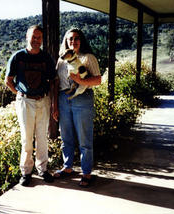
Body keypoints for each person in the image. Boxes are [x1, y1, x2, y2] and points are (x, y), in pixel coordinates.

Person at [5, 25, 56, 186]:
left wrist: (53, 102)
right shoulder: (18, 57)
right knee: (27, 139)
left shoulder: (46, 58)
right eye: (33, 37)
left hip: (43, 100)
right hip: (25, 101)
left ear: (42, 40)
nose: (36, 40)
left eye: (39, 37)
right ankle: (26, 172)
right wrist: (19, 93)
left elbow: (53, 80)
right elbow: (8, 80)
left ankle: (43, 169)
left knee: (42, 137)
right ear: (27, 37)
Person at [53, 28, 101, 187]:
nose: (73, 41)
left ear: (81, 40)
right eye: (70, 39)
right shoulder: (61, 60)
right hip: (63, 98)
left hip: (82, 99)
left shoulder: (88, 58)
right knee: (65, 136)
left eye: (76, 38)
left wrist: (80, 82)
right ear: (65, 42)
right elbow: (56, 83)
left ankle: (86, 172)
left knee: (84, 138)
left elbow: (97, 80)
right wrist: (55, 104)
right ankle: (67, 167)